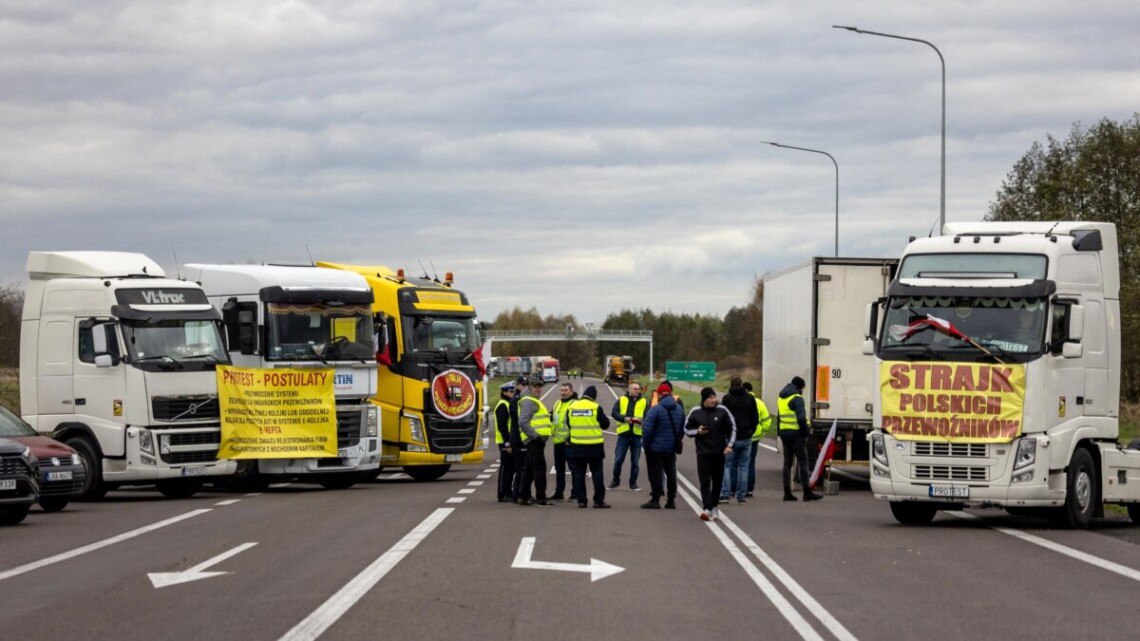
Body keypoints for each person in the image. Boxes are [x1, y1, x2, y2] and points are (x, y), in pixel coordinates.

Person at [684, 387, 736, 521]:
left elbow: (732, 428)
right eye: (710, 398)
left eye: (714, 397)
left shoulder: (723, 410)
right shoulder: (696, 412)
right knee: (705, 481)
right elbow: (686, 429)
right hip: (703, 453)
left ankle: (714, 506)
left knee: (717, 482)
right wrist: (697, 431)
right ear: (704, 399)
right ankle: (707, 508)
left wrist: (729, 445)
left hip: (719, 453)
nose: (714, 400)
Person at [639, 382, 685, 509]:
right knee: (671, 474)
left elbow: (647, 430)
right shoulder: (679, 409)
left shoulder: (656, 409)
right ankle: (671, 500)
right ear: (671, 394)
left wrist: (646, 445)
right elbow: (681, 430)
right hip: (671, 449)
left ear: (659, 394)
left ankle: (655, 499)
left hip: (655, 448)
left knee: (656, 474)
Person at [565, 385, 611, 508]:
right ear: (593, 397)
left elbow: (568, 424)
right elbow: (606, 425)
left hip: (577, 446)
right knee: (597, 474)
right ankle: (598, 501)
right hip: (594, 446)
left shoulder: (572, 406)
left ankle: (581, 500)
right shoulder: (595, 407)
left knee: (579, 474)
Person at [779, 376, 823, 502]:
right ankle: (807, 492)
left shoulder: (781, 398)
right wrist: (805, 433)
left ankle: (787, 493)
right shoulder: (797, 398)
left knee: (787, 463)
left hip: (784, 433)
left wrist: (780, 432)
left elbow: (780, 418)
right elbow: (801, 418)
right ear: (799, 387)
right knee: (803, 462)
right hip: (796, 434)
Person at [720, 377, 759, 504]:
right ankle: (741, 496)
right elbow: (755, 418)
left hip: (731, 437)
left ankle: (725, 494)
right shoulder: (750, 398)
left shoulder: (727, 398)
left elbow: (723, 417)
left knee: (727, 466)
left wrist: (725, 433)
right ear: (742, 385)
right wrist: (750, 431)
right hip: (746, 436)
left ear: (731, 385)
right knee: (744, 466)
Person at [517, 375, 554, 506]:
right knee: (539, 469)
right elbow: (522, 422)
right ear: (529, 387)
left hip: (534, 441)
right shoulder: (528, 401)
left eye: (540, 387)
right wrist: (536, 437)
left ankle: (523, 496)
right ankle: (541, 498)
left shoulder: (531, 399)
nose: (538, 389)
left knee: (528, 469)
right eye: (535, 387)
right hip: (534, 441)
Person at [610, 381, 647, 491]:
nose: (637, 391)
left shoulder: (644, 401)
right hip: (624, 434)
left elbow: (648, 415)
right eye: (635, 389)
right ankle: (615, 481)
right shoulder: (621, 400)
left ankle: (633, 483)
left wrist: (642, 421)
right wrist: (624, 418)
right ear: (629, 390)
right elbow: (614, 413)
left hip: (637, 435)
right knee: (618, 459)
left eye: (638, 389)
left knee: (635, 461)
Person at [743, 381, 772, 497]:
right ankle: (749, 489)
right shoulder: (759, 403)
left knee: (740, 463)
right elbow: (767, 421)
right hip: (755, 437)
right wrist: (762, 432)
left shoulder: (741, 401)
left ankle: (737, 488)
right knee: (750, 463)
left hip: (743, 436)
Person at [550, 382, 578, 501]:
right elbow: (554, 420)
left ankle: (575, 493)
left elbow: (576, 423)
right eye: (561, 390)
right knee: (559, 469)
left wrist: (570, 439)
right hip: (557, 442)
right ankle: (559, 492)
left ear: (571, 391)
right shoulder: (557, 403)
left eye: (565, 390)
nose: (563, 392)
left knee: (574, 470)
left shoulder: (575, 404)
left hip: (569, 443)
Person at [494, 382, 519, 502]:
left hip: (509, 441)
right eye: (511, 391)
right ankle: (503, 494)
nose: (513, 393)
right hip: (505, 442)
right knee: (506, 469)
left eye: (513, 391)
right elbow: (502, 426)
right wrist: (507, 443)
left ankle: (508, 492)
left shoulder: (509, 404)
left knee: (510, 468)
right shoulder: (503, 405)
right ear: (504, 392)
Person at [510, 376, 528, 500]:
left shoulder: (521, 398)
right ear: (517, 385)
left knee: (524, 468)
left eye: (526, 384)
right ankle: (518, 494)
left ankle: (522, 493)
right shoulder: (517, 400)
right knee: (521, 468)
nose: (524, 387)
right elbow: (519, 419)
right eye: (522, 384)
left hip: (521, 437)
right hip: (518, 438)